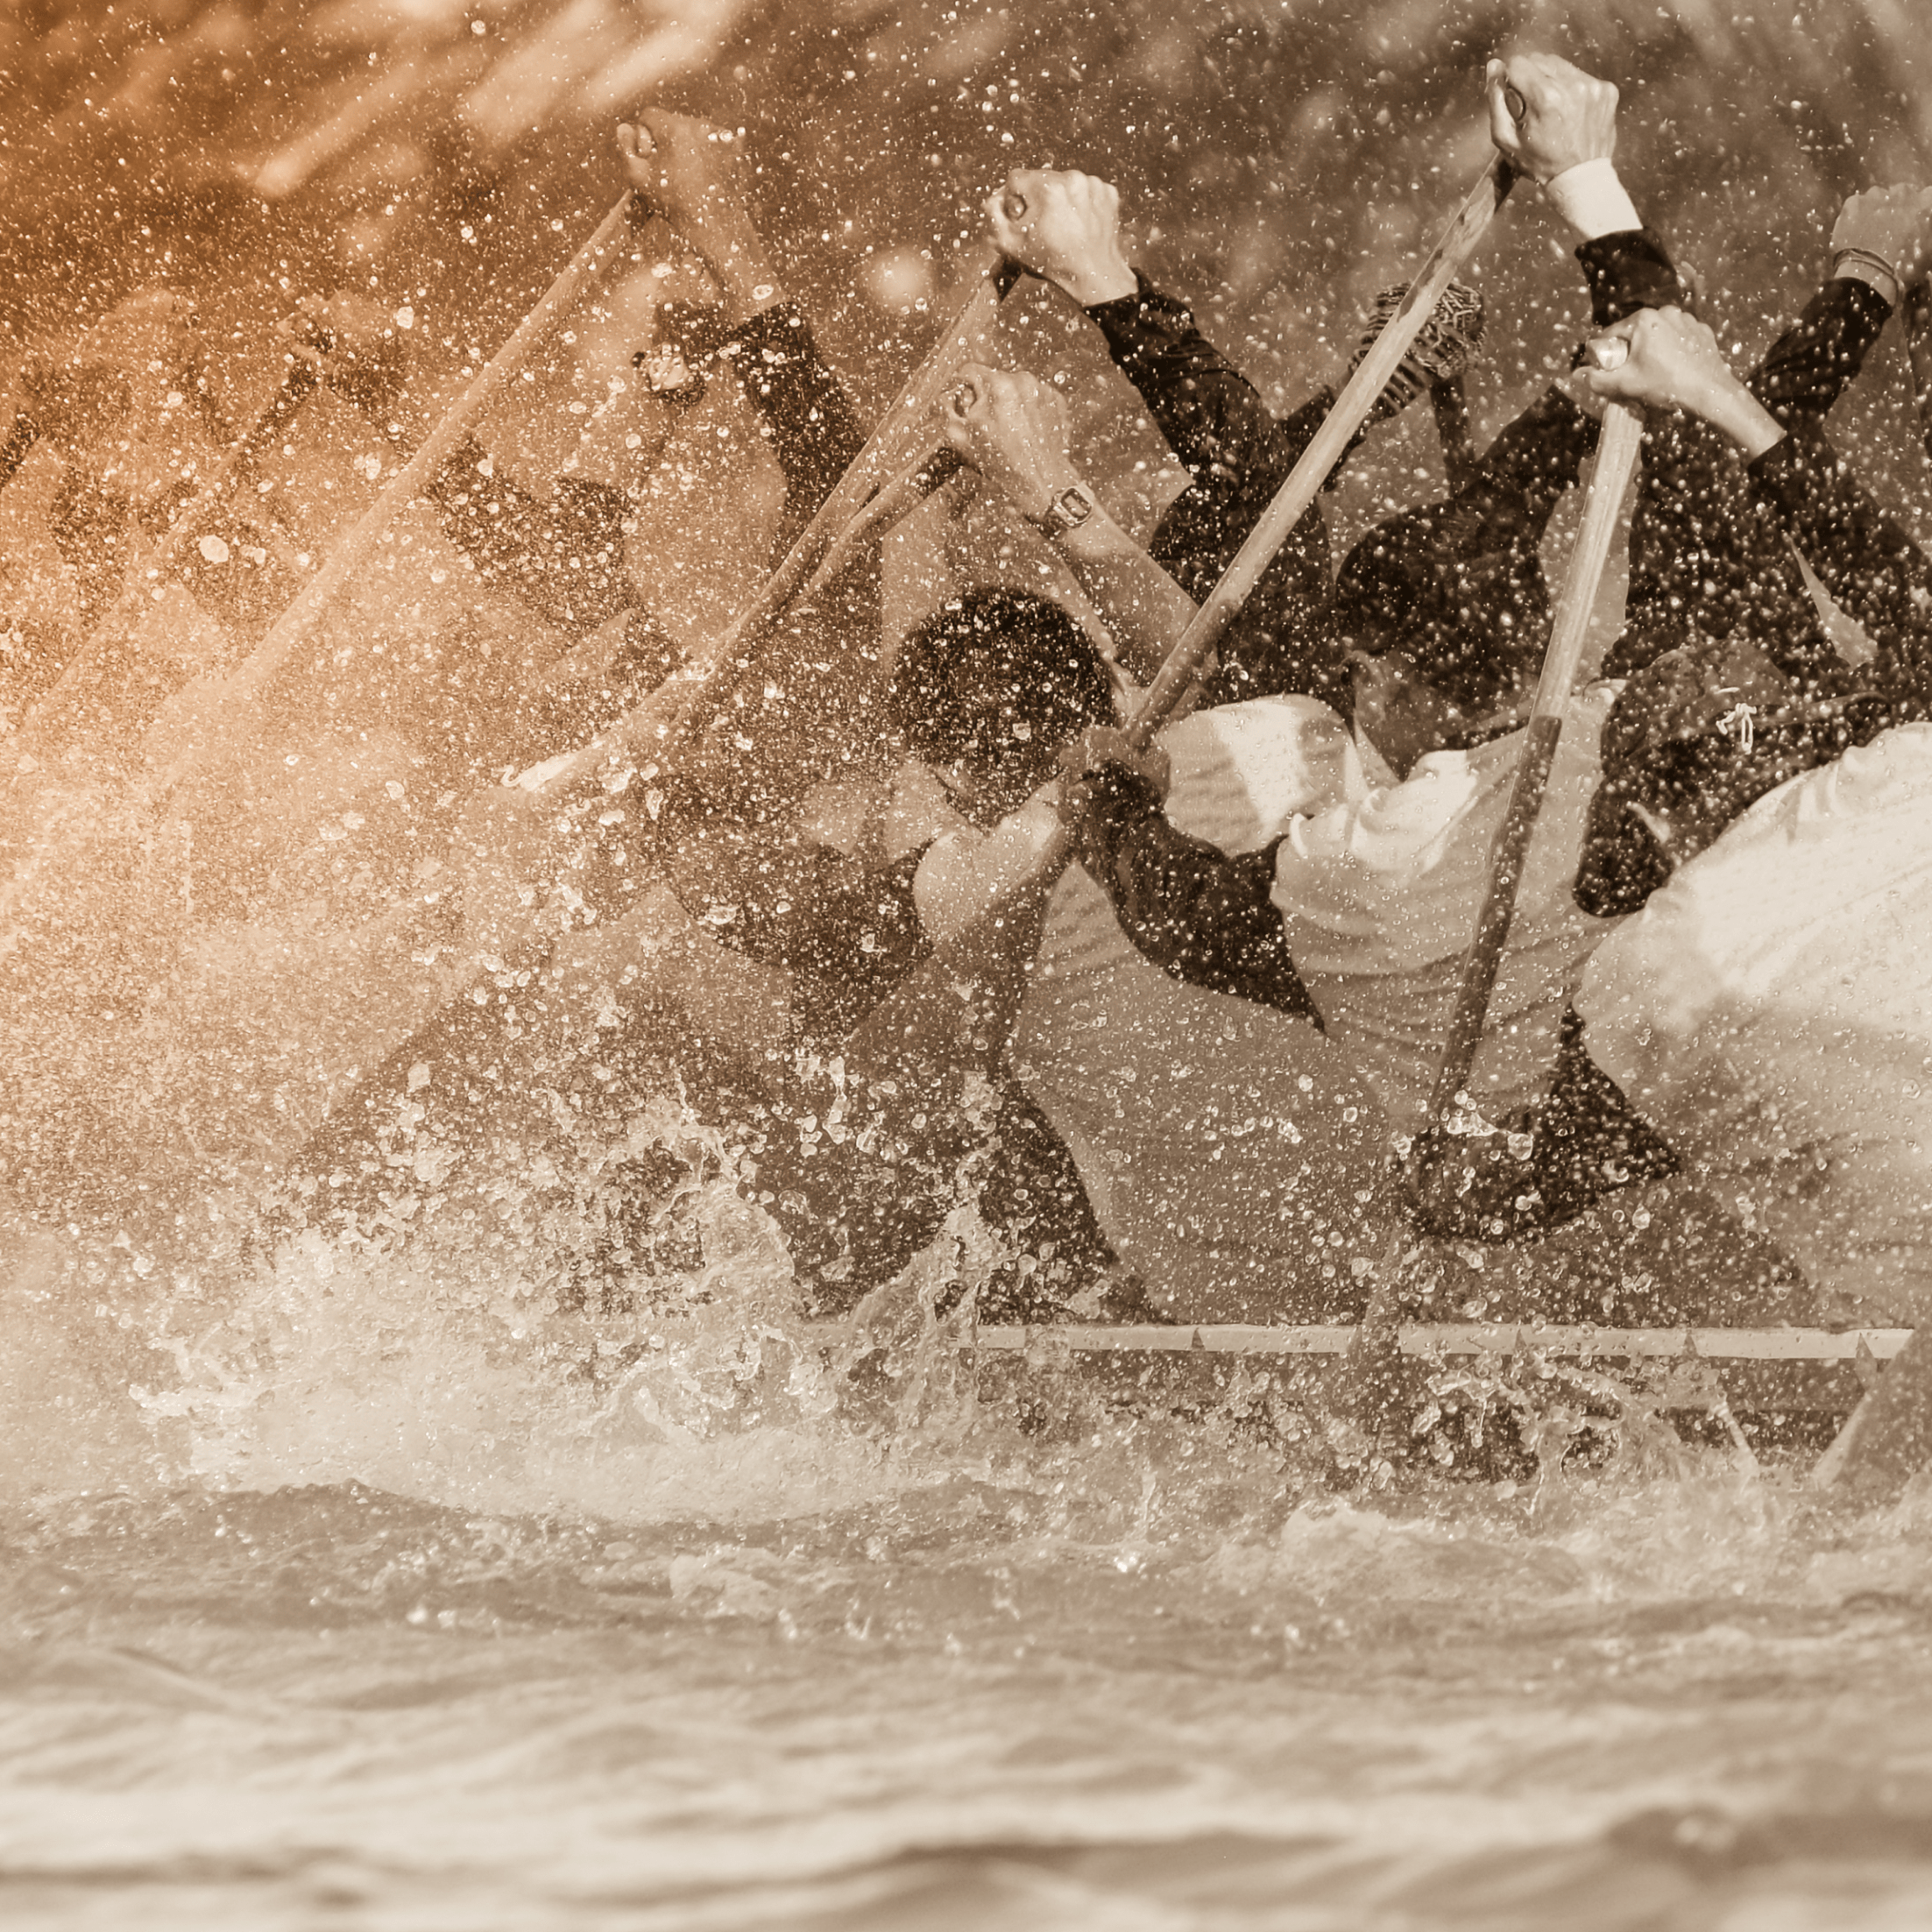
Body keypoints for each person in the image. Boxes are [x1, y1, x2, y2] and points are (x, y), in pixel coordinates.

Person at [1427, 254, 1932, 1327]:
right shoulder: (1900, 768)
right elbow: (1883, 583)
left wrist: (1448, 1179)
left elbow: (1520, 1191)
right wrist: (1732, 383)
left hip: (1886, 1330)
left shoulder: (1641, 984)